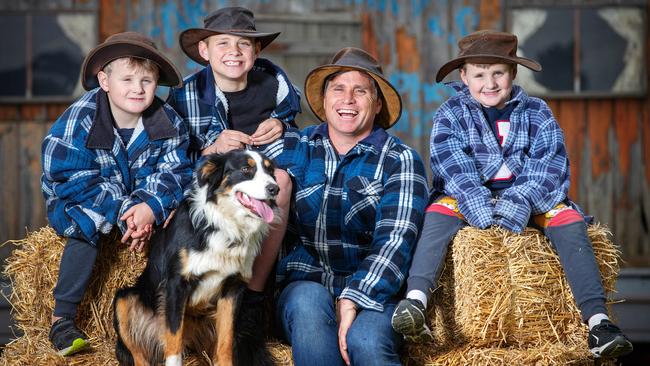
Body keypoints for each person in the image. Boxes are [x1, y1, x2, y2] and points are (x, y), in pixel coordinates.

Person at [391, 29, 633, 359]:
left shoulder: (537, 112)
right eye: (479, 75)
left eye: (498, 73)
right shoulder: (452, 114)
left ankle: (597, 322)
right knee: (437, 214)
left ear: (513, 74)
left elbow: (549, 165)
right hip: (469, 196)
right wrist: (478, 203)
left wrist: (519, 200)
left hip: (529, 197)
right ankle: (416, 299)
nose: (489, 83)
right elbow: (452, 167)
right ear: (463, 76)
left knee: (569, 219)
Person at [272, 47, 429, 366]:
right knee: (307, 307)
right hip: (305, 283)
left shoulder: (400, 160)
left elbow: (395, 242)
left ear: (378, 103)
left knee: (366, 342)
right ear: (325, 99)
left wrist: (354, 298)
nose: (348, 99)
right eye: (338, 89)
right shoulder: (295, 147)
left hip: (377, 290)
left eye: (361, 91)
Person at [41, 32, 193, 356]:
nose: (138, 89)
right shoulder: (80, 118)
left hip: (142, 201)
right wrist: (127, 209)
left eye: (147, 80)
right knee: (85, 223)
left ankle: (171, 317)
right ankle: (62, 318)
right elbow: (70, 176)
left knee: (180, 217)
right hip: (85, 197)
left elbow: (176, 171)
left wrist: (151, 207)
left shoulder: (169, 123)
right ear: (104, 81)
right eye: (127, 79)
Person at [167, 6, 301, 301]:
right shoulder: (184, 95)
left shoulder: (276, 85)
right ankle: (202, 281)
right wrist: (213, 149)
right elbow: (172, 158)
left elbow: (294, 136)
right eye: (223, 43)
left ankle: (252, 291)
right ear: (204, 50)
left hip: (258, 180)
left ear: (255, 51)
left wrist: (281, 123)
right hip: (217, 187)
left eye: (243, 44)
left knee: (283, 180)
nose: (234, 51)